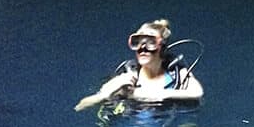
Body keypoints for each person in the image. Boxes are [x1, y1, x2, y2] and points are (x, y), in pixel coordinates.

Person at [74, 19, 203, 111]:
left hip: (170, 115)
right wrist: (108, 92)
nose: (143, 49)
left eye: (150, 42)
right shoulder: (128, 76)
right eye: (137, 42)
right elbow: (81, 106)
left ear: (162, 47)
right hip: (140, 120)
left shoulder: (176, 71)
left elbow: (197, 92)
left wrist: (158, 94)